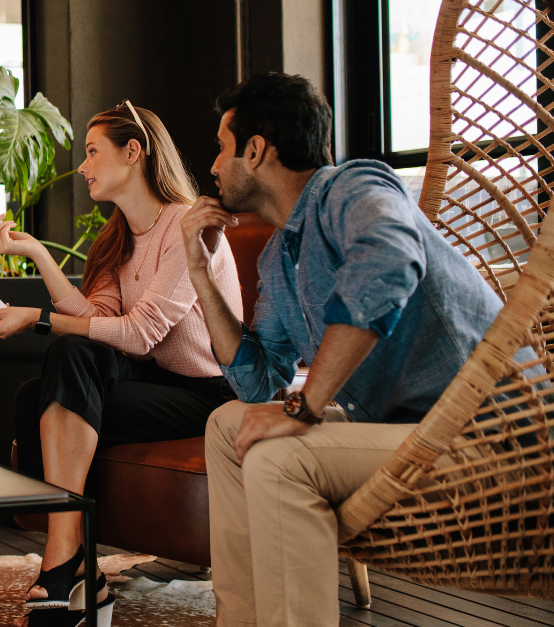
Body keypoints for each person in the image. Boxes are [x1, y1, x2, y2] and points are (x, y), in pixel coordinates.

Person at [179, 72, 507, 627]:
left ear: (255, 151)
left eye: (221, 147)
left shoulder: (351, 187)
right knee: (226, 424)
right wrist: (199, 272)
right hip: (403, 432)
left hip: (488, 431)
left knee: (284, 458)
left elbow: (388, 261)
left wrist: (306, 409)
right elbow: (258, 384)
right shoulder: (280, 259)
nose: (212, 166)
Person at [0, 102, 243, 627]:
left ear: (134, 152)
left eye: (93, 152)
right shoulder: (116, 237)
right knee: (42, 387)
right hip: (152, 383)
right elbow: (97, 320)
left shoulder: (186, 226)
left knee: (61, 355)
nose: (83, 165)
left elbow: (141, 333)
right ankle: (74, 560)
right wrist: (39, 256)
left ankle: (66, 560)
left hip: (206, 392)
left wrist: (40, 319)